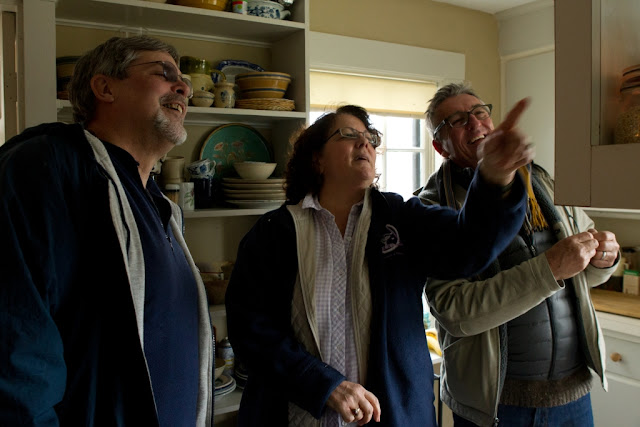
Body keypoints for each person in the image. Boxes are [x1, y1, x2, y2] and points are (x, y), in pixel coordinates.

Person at [225, 103, 535, 426]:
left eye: (370, 137)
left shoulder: (401, 217)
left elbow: (470, 244)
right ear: (316, 159)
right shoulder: (274, 232)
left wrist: (495, 176)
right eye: (348, 134)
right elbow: (250, 330)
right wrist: (323, 385)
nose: (365, 143)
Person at [0, 36, 214, 425]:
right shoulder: (46, 169)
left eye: (182, 79)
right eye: (162, 73)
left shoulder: (159, 204)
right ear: (104, 87)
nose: (184, 87)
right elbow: (15, 345)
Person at [417, 82, 621, 427]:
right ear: (440, 146)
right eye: (458, 120)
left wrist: (606, 259)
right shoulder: (431, 207)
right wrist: (551, 267)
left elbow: (586, 272)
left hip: (574, 398)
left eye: (480, 112)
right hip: (495, 408)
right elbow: (455, 312)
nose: (475, 122)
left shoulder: (544, 181)